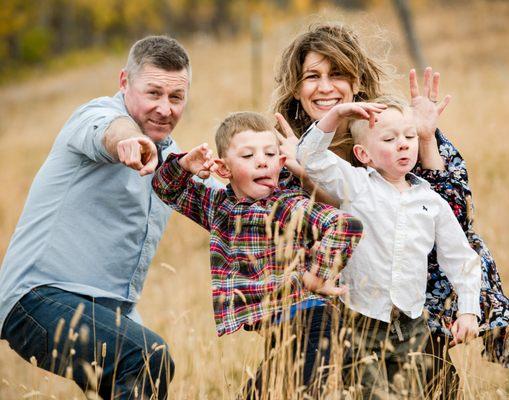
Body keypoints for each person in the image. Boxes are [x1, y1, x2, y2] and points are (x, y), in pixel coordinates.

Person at [272, 22, 509, 368]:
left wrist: (426, 138)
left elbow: (455, 215)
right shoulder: (285, 143)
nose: (325, 87)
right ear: (296, 87)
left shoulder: (389, 126)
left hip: (409, 277)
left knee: (468, 249)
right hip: (336, 285)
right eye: (312, 76)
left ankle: (444, 343)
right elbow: (284, 234)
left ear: (357, 82)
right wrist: (305, 175)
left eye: (337, 73)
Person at [0, 35, 217, 399]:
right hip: (36, 298)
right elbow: (110, 132)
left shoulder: (174, 161)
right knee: (148, 357)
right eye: (153, 93)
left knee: (150, 373)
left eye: (176, 97)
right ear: (124, 83)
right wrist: (128, 142)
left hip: (110, 311)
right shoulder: (95, 115)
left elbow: (223, 211)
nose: (165, 108)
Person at [151, 111, 366, 398]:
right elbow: (166, 189)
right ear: (223, 169)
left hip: (314, 326)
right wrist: (185, 165)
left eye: (269, 153)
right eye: (248, 155)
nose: (262, 161)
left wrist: (317, 274)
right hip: (281, 331)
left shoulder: (287, 204)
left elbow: (345, 225)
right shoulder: (219, 207)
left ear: (280, 163)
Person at [297, 96, 482, 396]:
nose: (403, 144)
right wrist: (336, 114)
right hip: (361, 324)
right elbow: (309, 157)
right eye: (389, 138)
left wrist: (468, 311)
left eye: (409, 136)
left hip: (412, 325)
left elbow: (461, 258)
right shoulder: (355, 185)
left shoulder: (431, 202)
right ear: (363, 153)